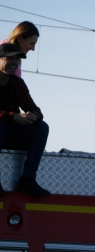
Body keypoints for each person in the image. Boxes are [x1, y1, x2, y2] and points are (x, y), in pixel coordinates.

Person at [0, 43, 49, 197]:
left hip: (8, 135)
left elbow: (35, 109)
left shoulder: (17, 83)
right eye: (10, 58)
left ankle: (27, 180)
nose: (15, 62)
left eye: (17, 59)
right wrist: (13, 116)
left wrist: (32, 115)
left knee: (41, 127)